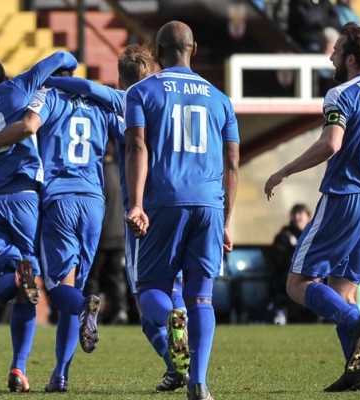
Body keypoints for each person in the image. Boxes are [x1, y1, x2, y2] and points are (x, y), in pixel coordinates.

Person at [264, 23, 360, 392]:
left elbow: (331, 144)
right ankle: (358, 371)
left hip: (346, 197)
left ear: (351, 58)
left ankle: (354, 322)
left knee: (298, 283)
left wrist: (284, 170)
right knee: (343, 289)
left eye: (337, 50)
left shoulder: (340, 94)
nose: (330, 56)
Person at [45, 43, 191, 393]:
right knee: (177, 285)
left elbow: (88, 89)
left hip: (140, 208)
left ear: (121, 79)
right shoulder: (172, 104)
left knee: (142, 297)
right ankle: (182, 367)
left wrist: (43, 79)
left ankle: (172, 326)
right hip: (185, 200)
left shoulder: (127, 100)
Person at [0, 61, 126, 391]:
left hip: (58, 201)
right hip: (94, 203)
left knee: (60, 292)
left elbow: (28, 125)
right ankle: (59, 375)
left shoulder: (48, 96)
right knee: (70, 288)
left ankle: (82, 307)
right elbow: (130, 136)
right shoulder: (101, 103)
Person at [124, 21, 240, 400]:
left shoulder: (141, 91)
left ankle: (173, 320)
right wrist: (226, 220)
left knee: (150, 291)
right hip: (209, 204)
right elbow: (233, 164)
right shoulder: (221, 99)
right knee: (202, 297)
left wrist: (138, 203)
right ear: (194, 48)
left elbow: (137, 148)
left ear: (156, 53)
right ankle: (199, 383)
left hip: (164, 202)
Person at [0, 50, 78, 393]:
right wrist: (65, 76)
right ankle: (20, 365)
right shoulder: (20, 87)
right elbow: (63, 55)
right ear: (4, 75)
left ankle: (20, 367)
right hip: (26, 196)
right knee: (30, 290)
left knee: (4, 288)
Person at [83, 141, 129, 326]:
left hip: (101, 236)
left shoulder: (99, 175)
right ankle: (121, 311)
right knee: (116, 278)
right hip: (120, 235)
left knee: (92, 277)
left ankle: (93, 313)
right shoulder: (121, 173)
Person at [269, 203, 317, 324]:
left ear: (309, 217)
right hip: (288, 277)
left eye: (301, 213)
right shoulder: (283, 237)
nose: (297, 217)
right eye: (295, 214)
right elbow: (279, 261)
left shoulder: (315, 237)